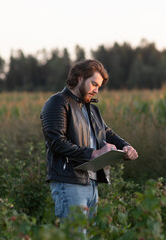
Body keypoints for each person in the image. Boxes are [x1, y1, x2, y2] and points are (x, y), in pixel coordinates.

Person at [40, 59, 138, 220]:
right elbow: (56, 142)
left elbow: (106, 133)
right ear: (79, 78)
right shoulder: (57, 103)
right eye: (94, 84)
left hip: (91, 183)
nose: (96, 90)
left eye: (98, 86)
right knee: (75, 235)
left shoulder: (92, 109)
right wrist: (95, 153)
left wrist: (126, 147)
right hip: (69, 182)